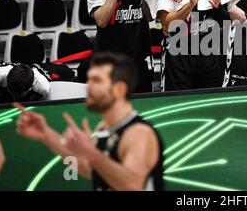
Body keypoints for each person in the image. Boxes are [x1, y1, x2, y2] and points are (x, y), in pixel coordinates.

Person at [15, 52, 164, 191]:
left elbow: (133, 185)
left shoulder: (138, 132)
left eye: (97, 81)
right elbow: (92, 171)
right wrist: (46, 134)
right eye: (90, 79)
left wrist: (91, 153)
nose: (89, 86)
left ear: (119, 89)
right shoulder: (104, 128)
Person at [0, 62, 74, 103]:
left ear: (31, 87)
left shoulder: (43, 88)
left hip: (45, 70)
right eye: (12, 92)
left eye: (18, 95)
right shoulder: (0, 75)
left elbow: (43, 111)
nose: (15, 98)